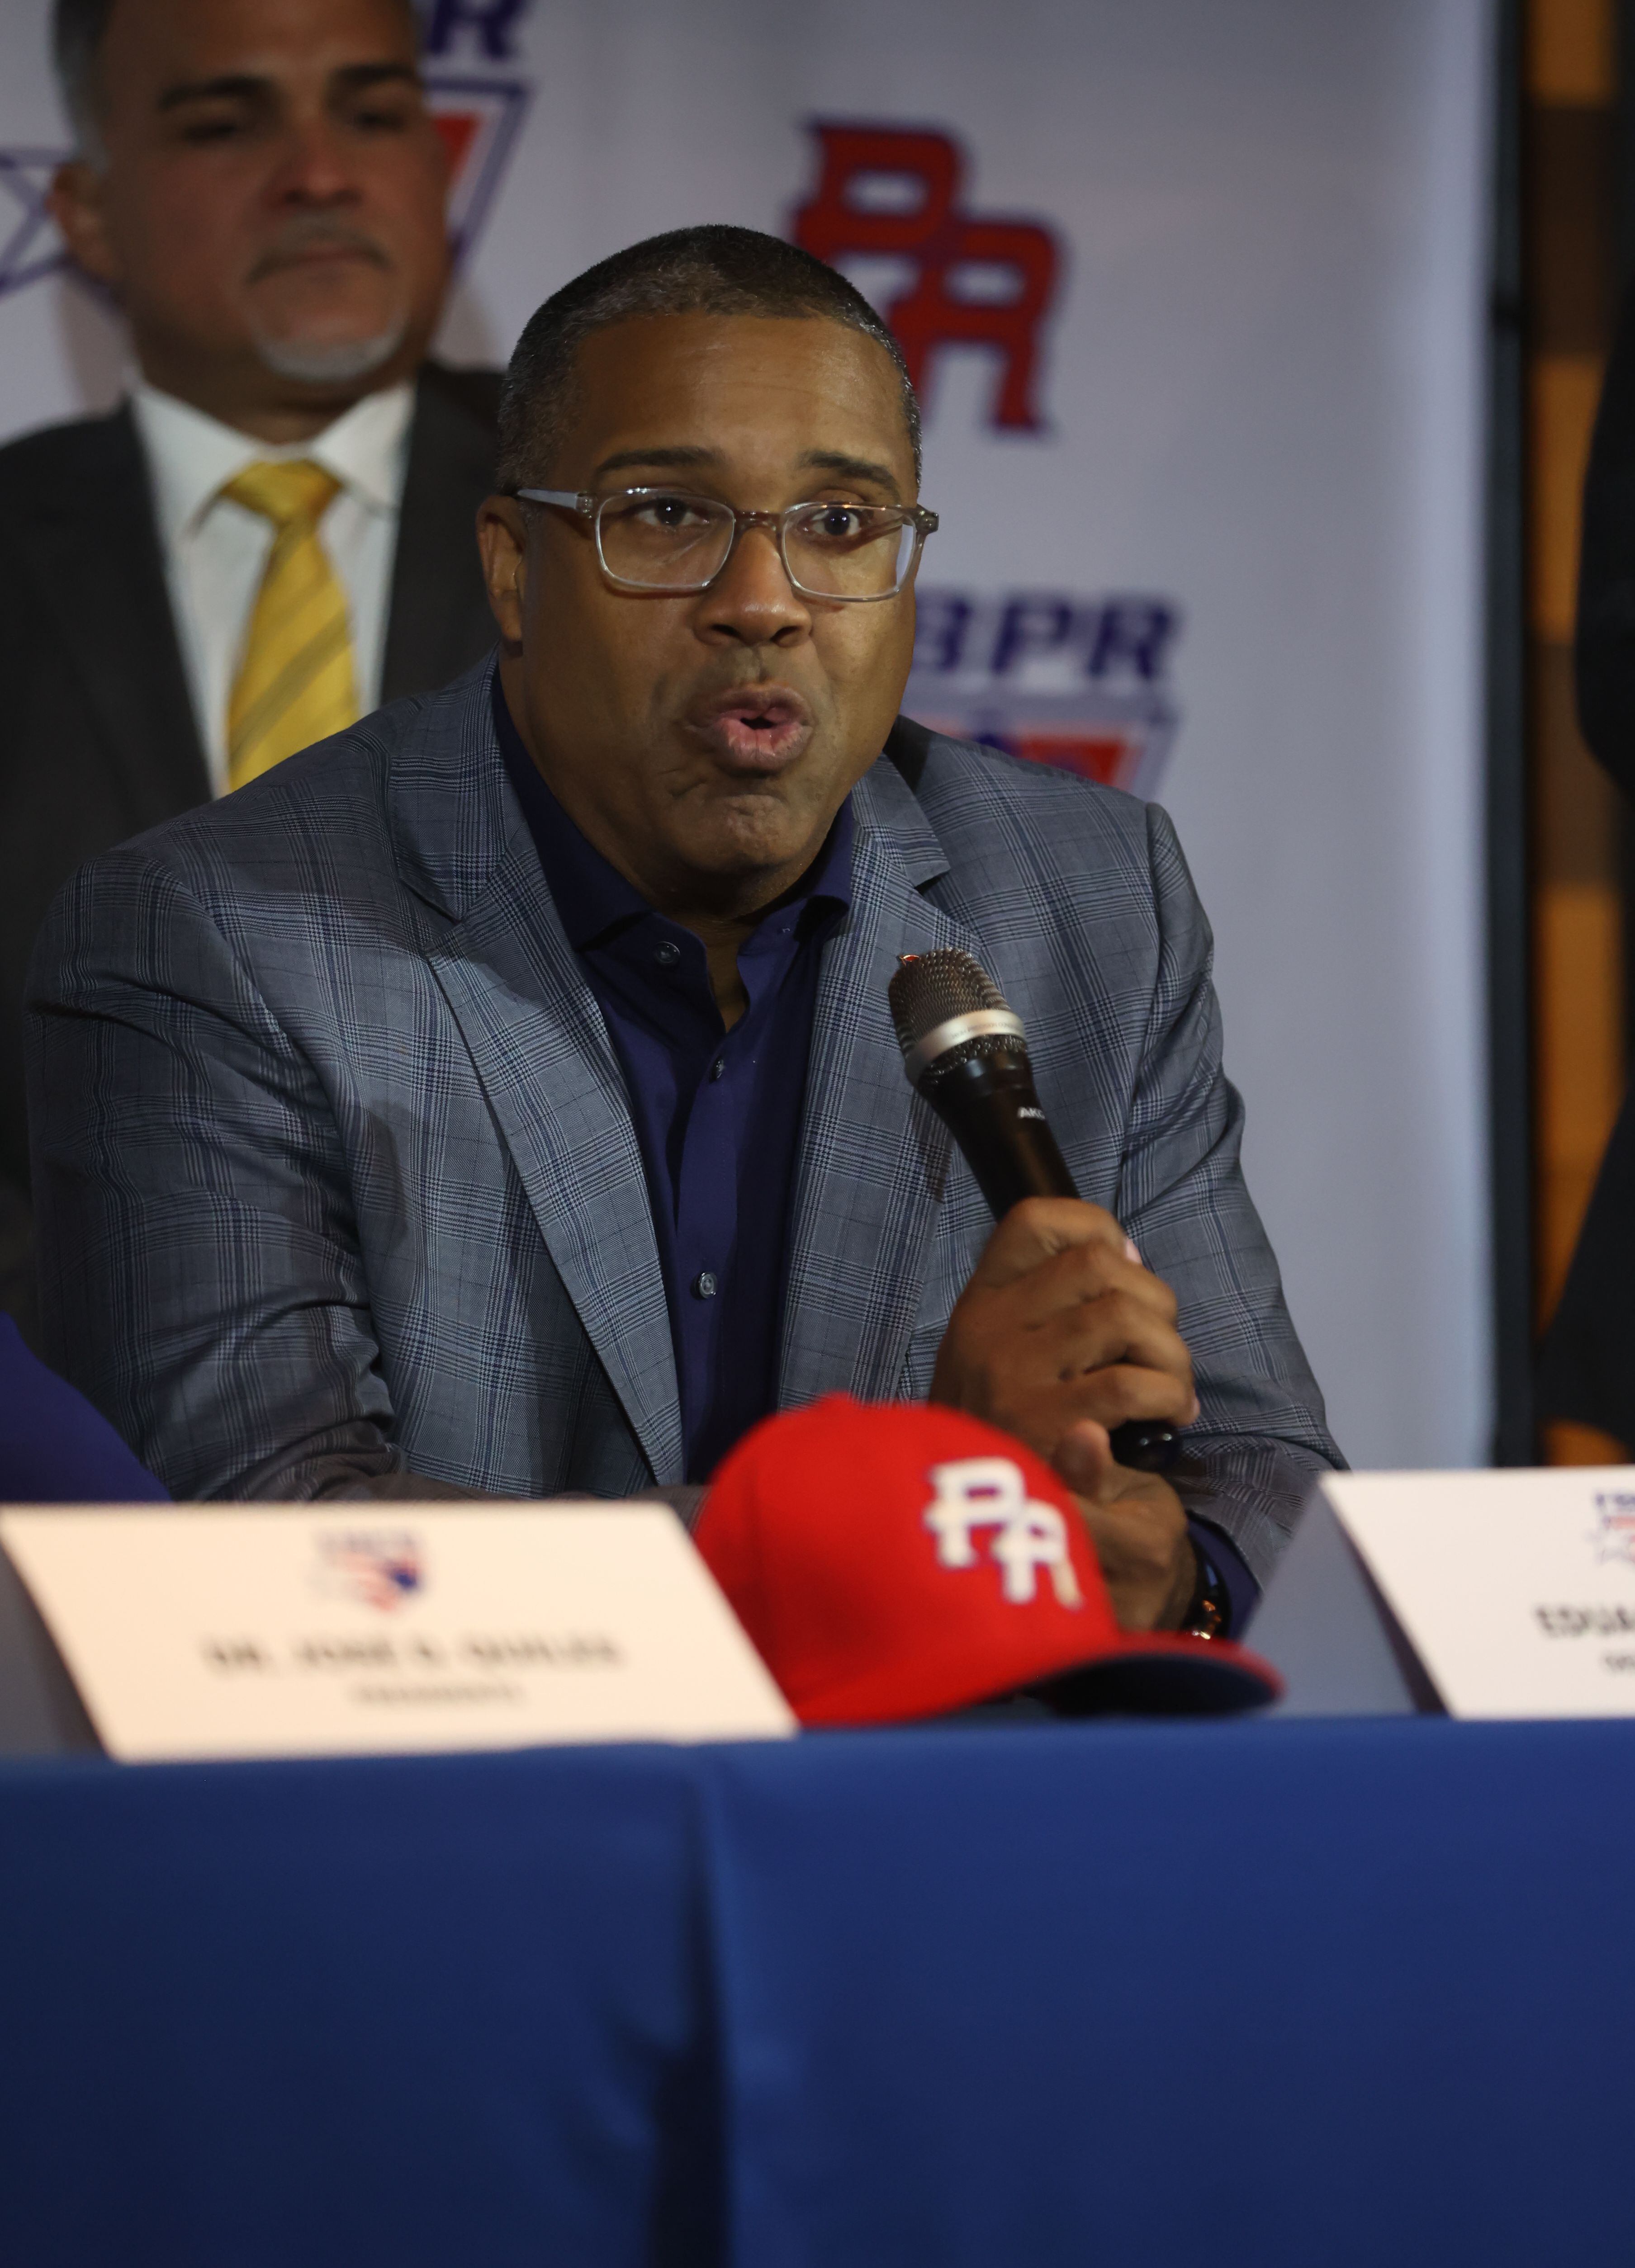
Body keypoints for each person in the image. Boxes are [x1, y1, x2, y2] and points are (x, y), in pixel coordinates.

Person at [26, 226, 1341, 1634]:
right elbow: (277, 1550)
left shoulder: (1090, 898)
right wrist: (926, 1518)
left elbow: (1262, 1473)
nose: (763, 602)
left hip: (958, 1811)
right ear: (515, 568)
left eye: (841, 526)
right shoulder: (216, 938)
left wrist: (1174, 1572)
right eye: (665, 516)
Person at [0, 0, 501, 1329]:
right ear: (87, 212)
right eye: (226, 124)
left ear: (441, 165)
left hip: (575, 1484)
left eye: (375, 112)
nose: (321, 174)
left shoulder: (635, 526)